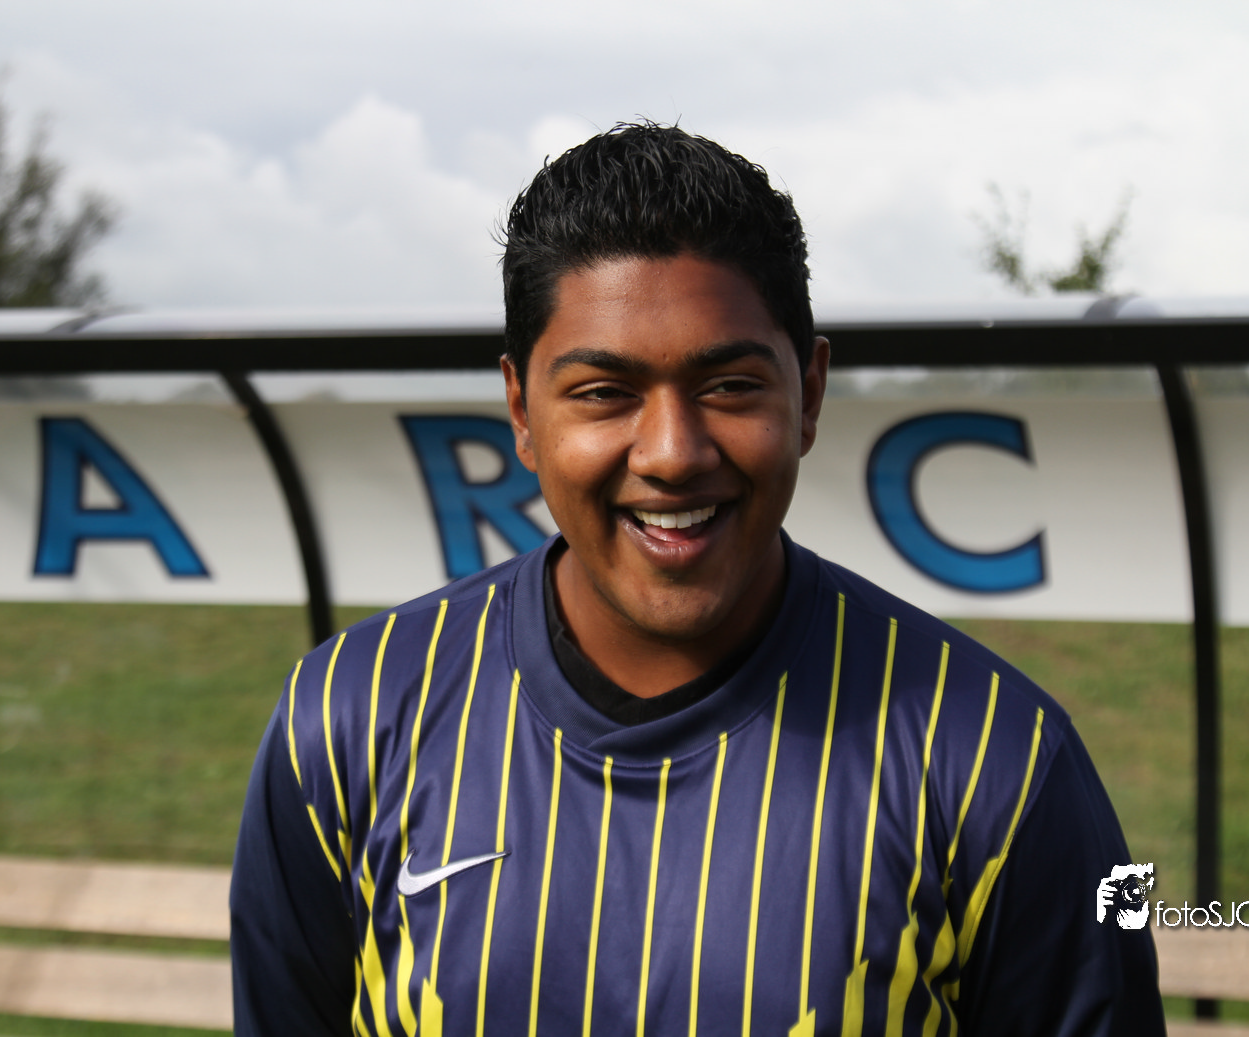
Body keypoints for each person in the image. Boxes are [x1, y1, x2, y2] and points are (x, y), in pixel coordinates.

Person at [230, 121, 1164, 1036]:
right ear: (520, 409)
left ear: (808, 393)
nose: (672, 453)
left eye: (728, 386)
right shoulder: (348, 715)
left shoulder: (998, 754)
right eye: (604, 392)